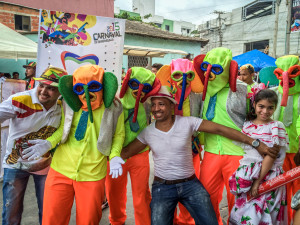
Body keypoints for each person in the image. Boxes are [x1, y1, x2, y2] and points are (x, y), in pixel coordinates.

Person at [120, 86, 280, 225]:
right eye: (153, 105)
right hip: (162, 187)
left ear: (171, 105)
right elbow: (126, 152)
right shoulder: (148, 132)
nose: (156, 109)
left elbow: (220, 129)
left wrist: (256, 143)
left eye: (161, 104)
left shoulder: (187, 122)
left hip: (191, 185)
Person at [36, 64, 125, 225]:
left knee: (89, 220)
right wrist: (47, 144)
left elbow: (118, 135)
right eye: (80, 88)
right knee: (51, 219)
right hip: (60, 170)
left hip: (93, 173)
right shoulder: (68, 104)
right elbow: (63, 129)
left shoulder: (114, 108)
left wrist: (115, 155)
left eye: (93, 87)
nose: (86, 92)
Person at [0, 66, 67, 225]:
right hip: (14, 164)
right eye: (41, 85)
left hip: (45, 165)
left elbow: (64, 130)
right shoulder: (21, 100)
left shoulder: (62, 106)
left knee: (47, 211)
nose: (44, 91)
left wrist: (48, 144)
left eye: (51, 88)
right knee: (11, 213)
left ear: (60, 92)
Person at [106, 67, 160, 225]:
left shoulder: (149, 104)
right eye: (135, 84)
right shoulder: (114, 103)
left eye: (146, 87)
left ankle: (144, 222)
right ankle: (116, 221)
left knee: (141, 194)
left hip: (139, 153)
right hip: (115, 155)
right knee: (113, 193)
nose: (139, 90)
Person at [229, 87, 288, 225]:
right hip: (248, 177)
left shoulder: (276, 126)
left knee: (265, 215)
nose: (265, 111)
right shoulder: (247, 126)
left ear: (275, 108)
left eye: (270, 108)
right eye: (261, 106)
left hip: (268, 176)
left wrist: (257, 181)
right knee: (245, 215)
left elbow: (272, 156)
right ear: (254, 104)